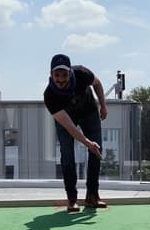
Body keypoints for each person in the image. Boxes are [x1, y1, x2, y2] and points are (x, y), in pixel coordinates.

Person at [43, 54, 107, 212]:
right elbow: (70, 127)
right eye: (56, 75)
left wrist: (103, 105)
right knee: (67, 154)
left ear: (70, 72)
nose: (60, 79)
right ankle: (72, 199)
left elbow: (97, 83)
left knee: (96, 150)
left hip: (89, 111)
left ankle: (92, 195)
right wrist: (86, 143)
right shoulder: (50, 96)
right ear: (51, 74)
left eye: (64, 75)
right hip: (67, 118)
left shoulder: (81, 73)